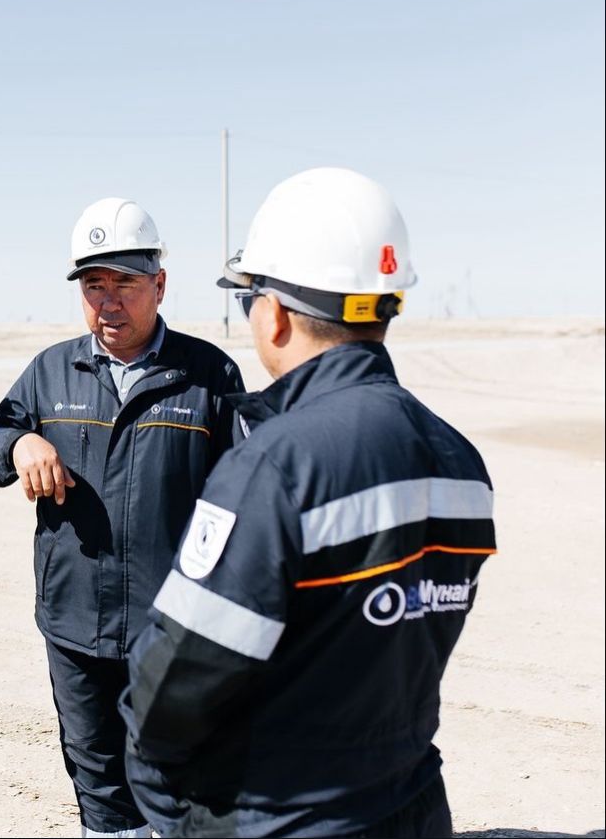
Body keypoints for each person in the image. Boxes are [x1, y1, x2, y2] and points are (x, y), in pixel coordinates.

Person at [121, 167, 498, 838]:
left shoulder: (275, 467)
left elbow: (178, 681)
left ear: (274, 313)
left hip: (280, 813)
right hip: (408, 799)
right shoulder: (459, 459)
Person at [0, 198, 244, 838]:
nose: (108, 302)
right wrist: (19, 444)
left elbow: (247, 496)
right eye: (94, 285)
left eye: (125, 284)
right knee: (98, 781)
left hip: (173, 629)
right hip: (74, 624)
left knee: (180, 780)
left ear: (160, 285)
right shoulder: (50, 371)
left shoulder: (208, 374)